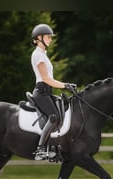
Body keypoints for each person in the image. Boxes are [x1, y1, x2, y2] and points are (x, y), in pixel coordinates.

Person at [30, 23, 76, 160]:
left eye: (51, 37)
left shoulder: (43, 54)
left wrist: (66, 85)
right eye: (48, 37)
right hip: (41, 91)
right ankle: (40, 149)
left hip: (47, 91)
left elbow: (50, 80)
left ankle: (54, 147)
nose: (51, 39)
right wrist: (64, 85)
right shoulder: (38, 55)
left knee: (63, 107)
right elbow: (46, 78)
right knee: (54, 116)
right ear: (39, 38)